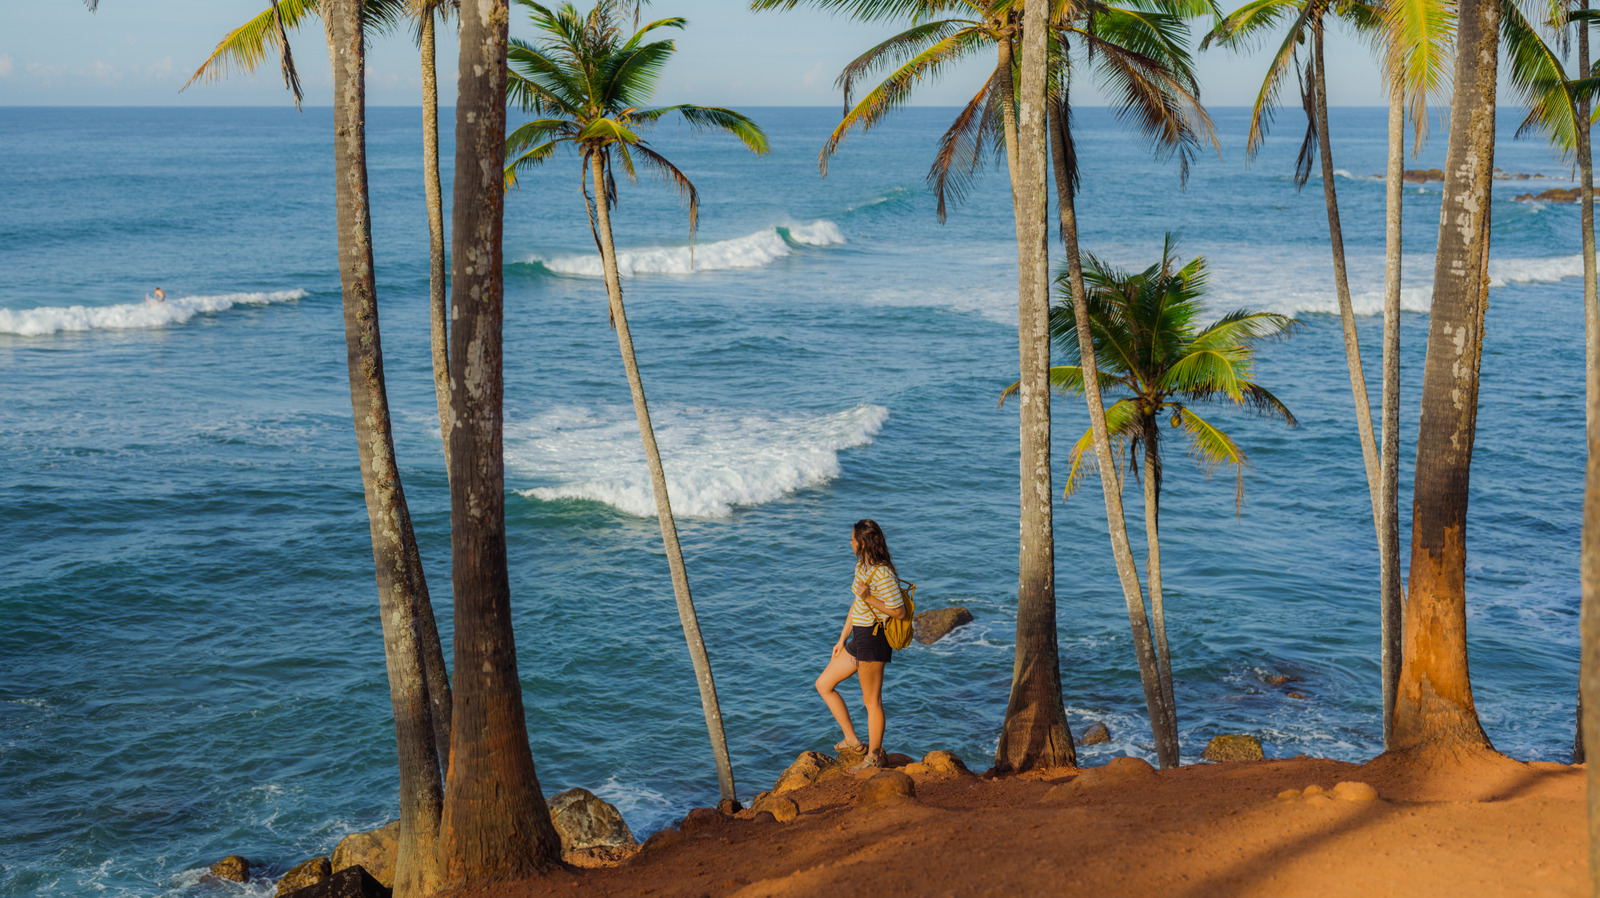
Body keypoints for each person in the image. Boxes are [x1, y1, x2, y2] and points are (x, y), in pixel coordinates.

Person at [815, 518, 909, 773]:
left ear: (863, 542)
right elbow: (857, 605)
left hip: (875, 639)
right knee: (823, 684)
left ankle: (873, 757)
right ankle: (852, 740)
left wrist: (869, 597)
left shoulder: (883, 572)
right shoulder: (862, 566)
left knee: (872, 701)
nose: (850, 542)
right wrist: (842, 637)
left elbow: (899, 612)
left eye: (853, 539)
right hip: (858, 637)